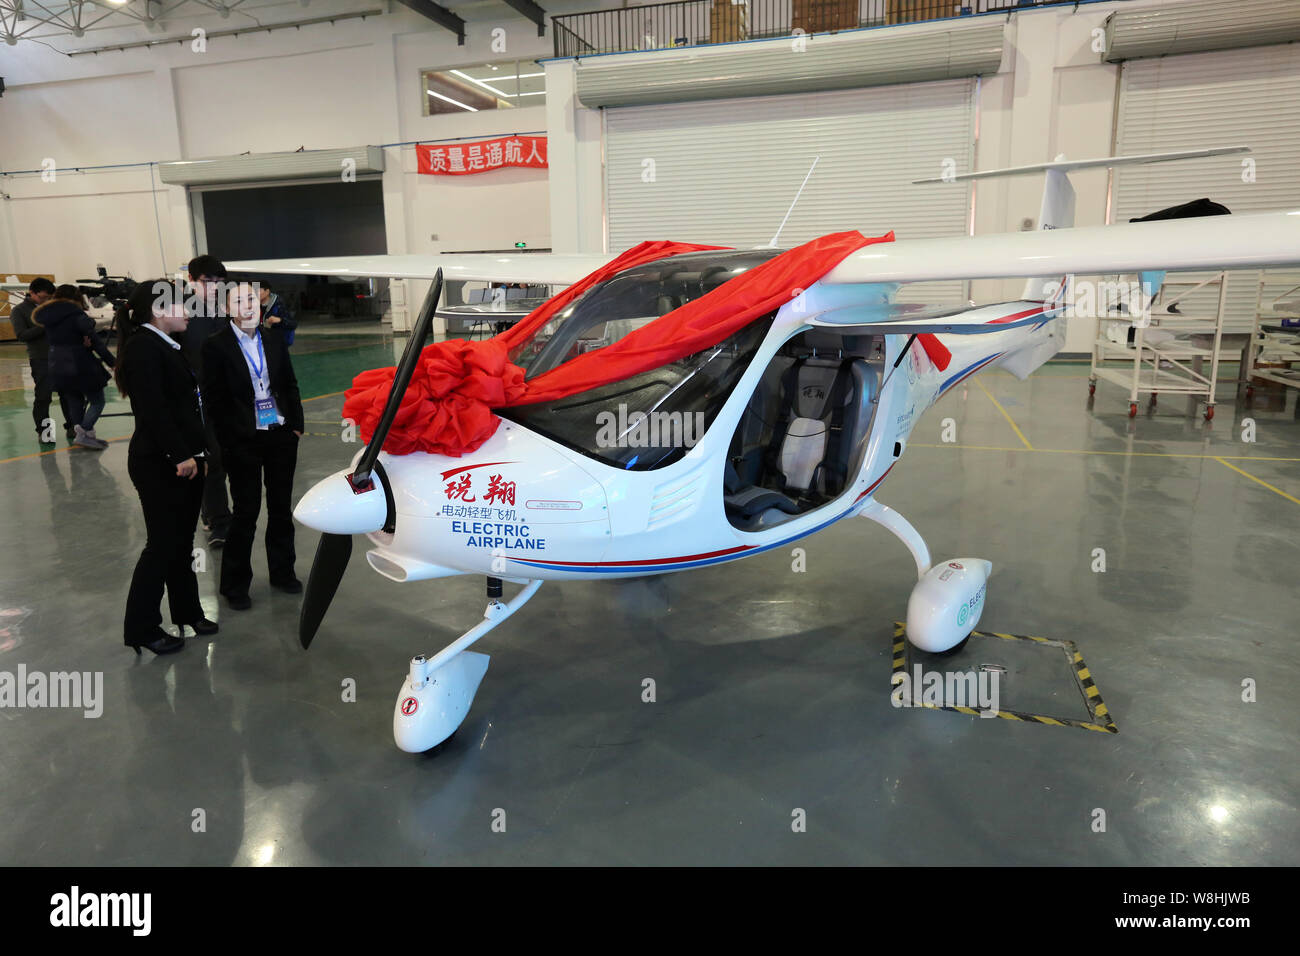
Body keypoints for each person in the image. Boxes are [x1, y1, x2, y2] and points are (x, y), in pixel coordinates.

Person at [116, 279, 217, 655]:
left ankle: (188, 611)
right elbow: (154, 411)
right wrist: (181, 456)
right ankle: (141, 627)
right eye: (180, 306)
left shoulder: (164, 345)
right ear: (159, 310)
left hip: (184, 459)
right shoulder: (144, 348)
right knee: (161, 546)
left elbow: (185, 408)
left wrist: (199, 453)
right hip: (161, 464)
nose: (188, 313)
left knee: (180, 543)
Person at [202, 281, 305, 610]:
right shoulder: (215, 346)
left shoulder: (273, 338)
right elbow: (214, 401)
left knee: (280, 508)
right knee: (246, 513)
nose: (248, 306)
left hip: (279, 434)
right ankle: (234, 585)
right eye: (239, 301)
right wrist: (228, 440)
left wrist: (296, 425)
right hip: (242, 440)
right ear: (227, 309)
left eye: (252, 299)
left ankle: (282, 572)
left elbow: (288, 383)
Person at [183, 255, 233, 549]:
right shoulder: (183, 313)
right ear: (192, 281)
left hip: (227, 395)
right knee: (212, 460)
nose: (214, 286)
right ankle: (219, 520)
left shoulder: (226, 309)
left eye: (218, 281)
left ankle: (212, 511)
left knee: (224, 457)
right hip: (197, 398)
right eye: (207, 281)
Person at [35, 284, 115, 450]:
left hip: (57, 364)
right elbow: (96, 342)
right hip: (79, 363)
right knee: (97, 401)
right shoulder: (76, 314)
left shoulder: (48, 316)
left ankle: (82, 434)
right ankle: (83, 432)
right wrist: (113, 363)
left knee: (74, 400)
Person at [8, 277, 71, 443]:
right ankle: (45, 432)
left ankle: (72, 426)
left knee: (68, 394)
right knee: (44, 397)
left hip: (62, 356)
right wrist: (44, 325)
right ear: (31, 292)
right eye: (42, 297)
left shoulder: (53, 307)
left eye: (49, 298)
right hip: (41, 358)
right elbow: (22, 335)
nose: (46, 301)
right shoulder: (19, 311)